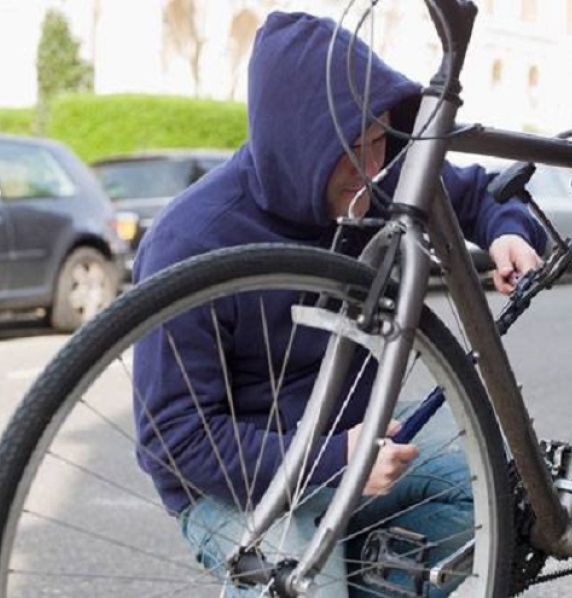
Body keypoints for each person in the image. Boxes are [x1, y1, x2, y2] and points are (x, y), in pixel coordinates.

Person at [132, 10, 547, 597]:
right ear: (298, 142)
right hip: (237, 486)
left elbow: (475, 192)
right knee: (305, 582)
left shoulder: (376, 181)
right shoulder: (190, 242)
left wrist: (509, 232)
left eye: (380, 139)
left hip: (358, 449)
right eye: (354, 148)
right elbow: (173, 439)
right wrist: (330, 460)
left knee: (499, 504)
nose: (374, 167)